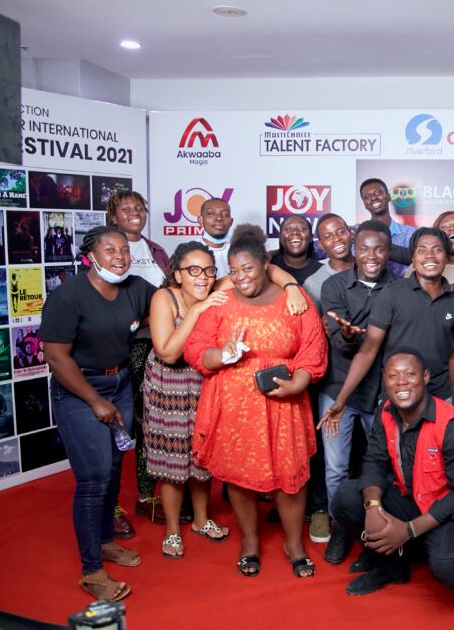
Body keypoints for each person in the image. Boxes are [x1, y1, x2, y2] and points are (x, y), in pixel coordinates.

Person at [184, 224, 327, 579]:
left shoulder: (294, 299)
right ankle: (249, 541)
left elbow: (313, 345)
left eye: (247, 268)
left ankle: (293, 544)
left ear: (265, 264)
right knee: (239, 475)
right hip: (233, 406)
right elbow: (195, 348)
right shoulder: (221, 302)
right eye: (233, 271)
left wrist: (299, 382)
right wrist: (223, 354)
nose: (241, 277)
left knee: (290, 475)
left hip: (284, 403)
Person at [40, 226, 155, 602]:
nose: (120, 256)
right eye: (110, 250)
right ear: (90, 256)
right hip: (79, 389)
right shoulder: (67, 296)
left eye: (124, 250)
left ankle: (105, 541)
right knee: (93, 478)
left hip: (119, 383)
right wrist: (95, 401)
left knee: (114, 469)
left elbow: (169, 302)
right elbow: (57, 358)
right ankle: (92, 571)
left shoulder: (136, 288)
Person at [330, 348, 454, 608]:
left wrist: (409, 530)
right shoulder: (385, 412)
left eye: (410, 374)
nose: (401, 382)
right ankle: (393, 565)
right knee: (346, 498)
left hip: (449, 511)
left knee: (451, 567)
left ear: (425, 377)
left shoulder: (453, 425)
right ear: (384, 380)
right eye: (393, 376)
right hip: (409, 500)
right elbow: (374, 461)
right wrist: (372, 507)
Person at [319, 228, 454, 434]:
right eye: (422, 250)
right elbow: (368, 349)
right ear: (413, 257)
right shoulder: (392, 293)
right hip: (398, 397)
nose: (430, 256)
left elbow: (452, 356)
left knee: (440, 453)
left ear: (447, 257)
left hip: (440, 397)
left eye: (437, 250)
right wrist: (341, 399)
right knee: (395, 453)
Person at [143, 241, 230, 558]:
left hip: (203, 384)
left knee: (200, 455)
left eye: (208, 270)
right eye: (193, 270)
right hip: (169, 387)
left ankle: (201, 520)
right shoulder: (164, 298)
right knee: (172, 460)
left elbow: (261, 267)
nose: (203, 277)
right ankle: (172, 530)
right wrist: (195, 311)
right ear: (177, 274)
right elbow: (167, 352)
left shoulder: (214, 290)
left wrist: (290, 288)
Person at [318, 220, 398, 564]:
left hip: (380, 393)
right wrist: (348, 336)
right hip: (338, 389)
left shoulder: (398, 288)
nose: (371, 256)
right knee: (336, 468)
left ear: (389, 251)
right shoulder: (334, 286)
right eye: (364, 248)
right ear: (354, 248)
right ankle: (340, 528)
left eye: (379, 249)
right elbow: (340, 343)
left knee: (383, 466)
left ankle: (380, 531)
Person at [106, 190, 170, 533]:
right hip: (118, 350)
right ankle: (111, 505)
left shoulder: (156, 251)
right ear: (112, 215)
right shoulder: (103, 250)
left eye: (139, 208)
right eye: (126, 208)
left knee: (149, 424)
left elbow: (170, 295)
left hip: (155, 346)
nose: (135, 213)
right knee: (118, 426)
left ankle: (146, 496)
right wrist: (141, 321)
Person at [269, 212, 332, 542]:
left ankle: (318, 506)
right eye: (288, 228)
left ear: (311, 237)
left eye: (302, 228)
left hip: (313, 368)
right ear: (280, 236)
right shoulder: (268, 265)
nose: (295, 232)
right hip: (275, 367)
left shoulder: (322, 271)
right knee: (280, 441)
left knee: (314, 443)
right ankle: (283, 498)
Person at [359, 178, 416, 277]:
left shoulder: (410, 233)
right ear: (365, 205)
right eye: (367, 197)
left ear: (388, 197)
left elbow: (418, 261)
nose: (373, 198)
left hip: (403, 286)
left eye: (378, 193)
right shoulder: (357, 233)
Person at [303, 213, 355, 304]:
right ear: (321, 244)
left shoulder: (371, 268)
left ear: (350, 233)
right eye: (328, 236)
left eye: (341, 232)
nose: (336, 239)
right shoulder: (313, 284)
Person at [197, 197, 235, 274]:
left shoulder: (242, 250)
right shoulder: (189, 251)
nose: (219, 218)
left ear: (231, 222)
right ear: (200, 220)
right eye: (211, 213)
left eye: (225, 214)